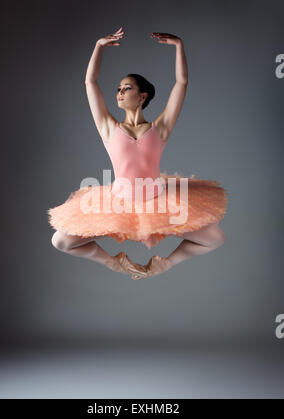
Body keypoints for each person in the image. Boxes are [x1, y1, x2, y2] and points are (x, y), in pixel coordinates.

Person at [48, 27, 228, 280]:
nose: (120, 92)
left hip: (157, 201)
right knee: (62, 240)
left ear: (142, 96)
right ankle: (114, 263)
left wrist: (179, 47)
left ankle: (164, 264)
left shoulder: (161, 127)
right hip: (117, 202)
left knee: (215, 238)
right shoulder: (109, 127)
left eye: (127, 88)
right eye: (119, 88)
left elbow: (181, 82)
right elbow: (90, 82)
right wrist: (98, 46)